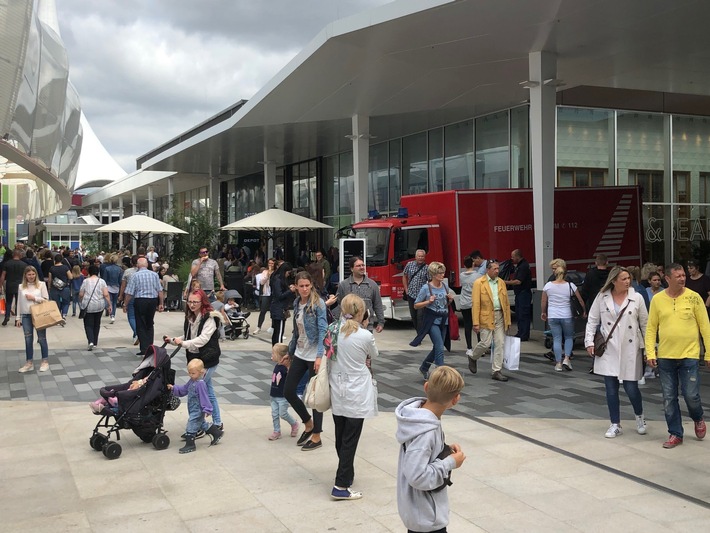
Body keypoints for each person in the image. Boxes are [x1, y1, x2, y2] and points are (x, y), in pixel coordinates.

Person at [645, 263, 710, 449]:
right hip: (666, 356)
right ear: (667, 279)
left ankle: (698, 417)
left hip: (689, 355)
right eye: (678, 276)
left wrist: (709, 354)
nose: (683, 278)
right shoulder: (658, 300)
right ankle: (675, 433)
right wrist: (650, 351)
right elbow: (651, 329)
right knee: (668, 397)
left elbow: (706, 328)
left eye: (683, 275)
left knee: (691, 395)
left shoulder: (694, 298)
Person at [396, 366, 466, 533]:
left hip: (420, 513)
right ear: (455, 399)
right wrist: (449, 463)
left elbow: (423, 454)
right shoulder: (425, 431)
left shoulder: (420, 418)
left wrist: (444, 449)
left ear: (426, 386)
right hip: (426, 517)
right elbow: (417, 476)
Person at [586, 266, 649, 438]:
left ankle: (640, 417)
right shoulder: (602, 297)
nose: (627, 281)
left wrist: (649, 349)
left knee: (631, 388)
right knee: (611, 388)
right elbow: (592, 320)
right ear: (613, 281)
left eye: (628, 278)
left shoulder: (636, 297)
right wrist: (589, 341)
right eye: (623, 278)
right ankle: (615, 423)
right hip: (609, 348)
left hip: (630, 348)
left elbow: (645, 324)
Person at [328, 294, 379, 500]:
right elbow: (373, 354)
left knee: (341, 435)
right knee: (350, 438)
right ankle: (340, 484)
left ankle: (346, 474)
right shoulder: (365, 335)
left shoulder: (332, 330)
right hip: (357, 389)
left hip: (336, 386)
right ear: (361, 312)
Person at [166, 289, 225, 435]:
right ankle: (217, 423)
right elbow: (188, 335)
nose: (192, 305)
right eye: (190, 301)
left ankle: (200, 425)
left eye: (195, 302)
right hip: (196, 359)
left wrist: (183, 343)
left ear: (203, 302)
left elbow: (202, 339)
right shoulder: (190, 316)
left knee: (198, 392)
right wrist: (173, 340)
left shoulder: (210, 318)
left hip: (207, 360)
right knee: (208, 391)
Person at [284, 271, 328, 451]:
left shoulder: (318, 304)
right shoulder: (296, 303)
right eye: (301, 286)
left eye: (307, 286)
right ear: (295, 286)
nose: (304, 289)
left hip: (314, 356)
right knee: (288, 390)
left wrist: (319, 357)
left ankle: (317, 436)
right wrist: (290, 351)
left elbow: (323, 331)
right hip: (301, 353)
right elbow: (297, 331)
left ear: (311, 285)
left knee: (315, 397)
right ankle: (308, 423)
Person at [468, 260, 512, 382]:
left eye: (498, 268)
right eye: (495, 269)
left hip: (499, 316)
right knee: (485, 343)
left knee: (500, 343)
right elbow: (475, 304)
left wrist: (508, 320)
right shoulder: (479, 283)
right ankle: (473, 357)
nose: (497, 271)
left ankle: (496, 370)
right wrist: (475, 322)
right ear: (488, 270)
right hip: (486, 316)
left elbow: (506, 303)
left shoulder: (501, 282)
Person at [168, 358, 224, 453]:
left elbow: (204, 397)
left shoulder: (200, 384)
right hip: (192, 408)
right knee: (201, 424)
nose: (191, 375)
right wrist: (174, 388)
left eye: (193, 373)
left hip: (198, 409)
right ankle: (217, 433)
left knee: (191, 424)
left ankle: (190, 445)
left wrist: (207, 409)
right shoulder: (192, 381)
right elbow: (184, 389)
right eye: (189, 373)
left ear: (201, 372)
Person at [410, 262, 454, 381]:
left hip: (443, 320)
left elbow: (445, 304)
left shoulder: (445, 286)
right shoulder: (426, 288)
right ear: (433, 274)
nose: (442, 275)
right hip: (432, 320)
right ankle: (440, 375)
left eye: (443, 272)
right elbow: (416, 305)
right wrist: (428, 302)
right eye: (440, 273)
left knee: (437, 347)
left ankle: (424, 367)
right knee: (439, 346)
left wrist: (449, 300)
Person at [541, 258, 585, 372]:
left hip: (553, 315)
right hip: (567, 315)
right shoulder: (570, 285)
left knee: (556, 339)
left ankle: (558, 363)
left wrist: (543, 312)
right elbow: (580, 301)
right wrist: (583, 311)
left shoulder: (548, 285)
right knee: (569, 337)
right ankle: (566, 359)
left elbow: (543, 302)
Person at [123, 257, 164, 355]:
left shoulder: (135, 276)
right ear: (146, 265)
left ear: (137, 265)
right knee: (149, 323)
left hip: (140, 300)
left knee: (140, 324)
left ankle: (144, 348)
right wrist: (161, 303)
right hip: (152, 301)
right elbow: (160, 290)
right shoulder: (154, 275)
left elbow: (129, 292)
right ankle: (150, 346)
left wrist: (125, 304)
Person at [335, 256, 385, 333]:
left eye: (363, 265)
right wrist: (336, 323)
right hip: (348, 327)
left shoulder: (372, 285)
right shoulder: (343, 285)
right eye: (358, 266)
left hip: (367, 327)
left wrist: (381, 322)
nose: (362, 267)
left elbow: (378, 304)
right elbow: (339, 305)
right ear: (352, 269)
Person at [16, 266, 50, 373]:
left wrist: (34, 298)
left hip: (39, 314)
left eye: (33, 274)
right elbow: (19, 303)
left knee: (42, 338)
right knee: (28, 339)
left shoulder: (41, 285)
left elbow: (46, 299)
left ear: (36, 274)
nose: (31, 276)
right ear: (25, 275)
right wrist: (18, 317)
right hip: (26, 315)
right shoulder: (21, 287)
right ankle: (29, 362)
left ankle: (45, 361)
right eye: (29, 274)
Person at [268, 343, 299, 440]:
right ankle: (276, 431)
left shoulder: (286, 368)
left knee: (283, 413)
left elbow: (291, 378)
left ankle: (294, 424)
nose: (271, 355)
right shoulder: (277, 366)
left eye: (273, 353)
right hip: (273, 395)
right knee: (274, 414)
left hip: (282, 396)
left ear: (280, 356)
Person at [79, 264, 112, 350]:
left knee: (88, 324)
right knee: (97, 323)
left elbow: (81, 294)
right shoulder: (102, 281)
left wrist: (81, 301)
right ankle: (95, 342)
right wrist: (109, 304)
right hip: (99, 304)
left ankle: (90, 341)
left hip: (88, 304)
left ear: (89, 272)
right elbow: (106, 294)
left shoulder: (85, 281)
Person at [505, 249, 532, 341]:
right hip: (520, 294)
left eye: (513, 257)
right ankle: (520, 332)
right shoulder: (519, 265)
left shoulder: (523, 266)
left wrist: (504, 282)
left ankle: (524, 334)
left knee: (523, 314)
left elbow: (518, 281)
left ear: (517, 256)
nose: (512, 258)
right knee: (519, 313)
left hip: (524, 293)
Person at [270, 261, 296, 345]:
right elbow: (279, 295)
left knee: (276, 332)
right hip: (279, 309)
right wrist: (290, 291)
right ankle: (278, 351)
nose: (288, 274)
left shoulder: (277, 279)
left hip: (277, 308)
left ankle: (275, 350)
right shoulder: (278, 280)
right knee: (279, 332)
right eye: (288, 272)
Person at [403, 249, 429, 332]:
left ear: (424, 257)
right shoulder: (409, 265)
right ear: (415, 257)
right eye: (419, 256)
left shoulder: (427, 268)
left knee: (420, 316)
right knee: (413, 316)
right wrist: (406, 289)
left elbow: (430, 281)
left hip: (422, 296)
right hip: (411, 294)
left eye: (422, 256)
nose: (420, 258)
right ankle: (418, 331)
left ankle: (419, 334)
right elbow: (404, 276)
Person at [0, 249, 28, 326]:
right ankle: (17, 319)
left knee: (8, 302)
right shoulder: (24, 264)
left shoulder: (7, 263)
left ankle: (7, 316)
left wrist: (0, 285)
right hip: (20, 285)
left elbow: (3, 275)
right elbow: (26, 276)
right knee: (18, 303)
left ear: (13, 255)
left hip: (9, 284)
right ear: (20, 255)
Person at [459, 256, 477, 357]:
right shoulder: (478, 276)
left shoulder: (462, 275)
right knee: (477, 325)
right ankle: (479, 347)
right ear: (473, 264)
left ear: (464, 265)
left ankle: (469, 347)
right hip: (474, 303)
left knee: (467, 325)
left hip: (464, 303)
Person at [118, 255, 139, 345]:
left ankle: (137, 333)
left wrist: (121, 295)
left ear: (131, 262)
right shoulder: (144, 272)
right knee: (138, 316)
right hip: (141, 296)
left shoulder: (127, 272)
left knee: (131, 316)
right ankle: (136, 335)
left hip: (130, 295)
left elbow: (123, 285)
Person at [47, 253, 73, 320]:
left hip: (54, 288)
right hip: (64, 287)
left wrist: (49, 287)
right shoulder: (65, 267)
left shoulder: (51, 268)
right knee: (66, 302)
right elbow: (70, 277)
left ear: (54, 260)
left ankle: (58, 316)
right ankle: (64, 314)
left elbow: (49, 279)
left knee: (56, 303)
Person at [102, 254, 123, 324]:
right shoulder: (119, 269)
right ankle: (113, 314)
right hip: (116, 286)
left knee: (109, 301)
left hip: (109, 286)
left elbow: (105, 279)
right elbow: (120, 280)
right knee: (114, 302)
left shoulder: (107, 269)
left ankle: (111, 314)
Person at [254, 261, 274, 334]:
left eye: (272, 263)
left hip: (274, 293)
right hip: (266, 293)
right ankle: (258, 327)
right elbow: (262, 282)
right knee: (263, 310)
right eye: (269, 263)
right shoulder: (265, 272)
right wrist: (267, 275)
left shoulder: (276, 272)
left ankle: (273, 327)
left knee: (274, 311)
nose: (271, 265)